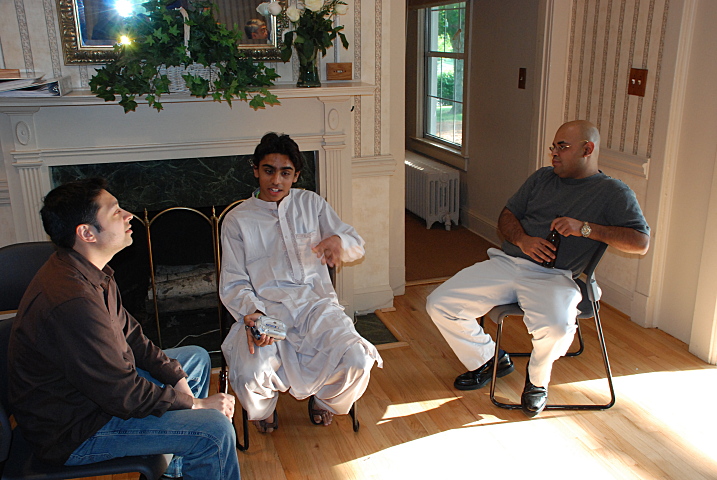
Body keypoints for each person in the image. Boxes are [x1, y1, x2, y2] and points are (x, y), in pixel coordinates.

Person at [7, 178, 240, 479]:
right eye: (116, 211)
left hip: (93, 398)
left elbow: (132, 336)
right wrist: (196, 405)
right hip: (76, 429)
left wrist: (176, 379)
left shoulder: (89, 269)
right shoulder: (73, 301)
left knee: (193, 359)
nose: (129, 215)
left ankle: (176, 467)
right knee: (214, 429)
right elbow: (123, 393)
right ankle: (191, 445)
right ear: (87, 233)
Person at [426, 120, 650, 417]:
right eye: (553, 147)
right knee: (439, 303)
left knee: (556, 328)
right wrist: (522, 239)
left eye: (562, 147)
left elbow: (640, 242)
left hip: (555, 276)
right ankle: (489, 359)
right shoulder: (542, 178)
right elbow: (507, 215)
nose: (554, 153)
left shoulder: (612, 192)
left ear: (587, 149)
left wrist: (584, 228)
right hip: (507, 263)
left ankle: (537, 382)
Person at [220, 132, 382, 433]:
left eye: (285, 173)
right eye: (268, 170)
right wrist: (253, 313)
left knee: (357, 359)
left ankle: (324, 400)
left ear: (296, 175)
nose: (276, 181)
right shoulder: (237, 219)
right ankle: (264, 409)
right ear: (255, 170)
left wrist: (339, 241)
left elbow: (356, 244)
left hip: (316, 305)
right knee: (251, 371)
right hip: (266, 311)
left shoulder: (311, 204)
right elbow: (234, 280)